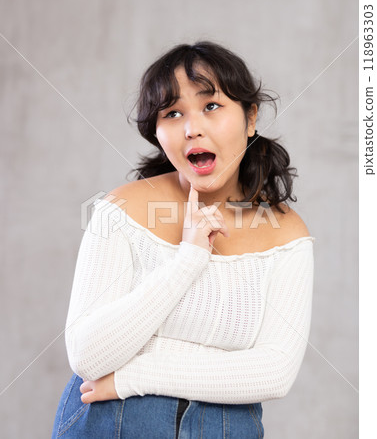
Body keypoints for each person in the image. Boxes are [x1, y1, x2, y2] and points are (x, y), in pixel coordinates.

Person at [52, 41, 315, 438]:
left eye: (211, 106)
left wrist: (132, 377)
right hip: (113, 423)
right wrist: (188, 260)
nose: (193, 128)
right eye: (172, 113)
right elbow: (88, 357)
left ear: (250, 118)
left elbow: (274, 372)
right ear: (158, 133)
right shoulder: (119, 211)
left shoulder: (289, 235)